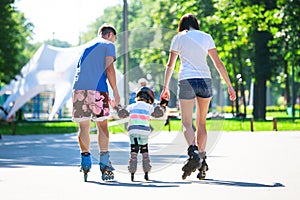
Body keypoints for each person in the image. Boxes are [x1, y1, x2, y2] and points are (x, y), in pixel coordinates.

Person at [160, 13, 236, 180]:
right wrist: (230, 86)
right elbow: (218, 63)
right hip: (205, 80)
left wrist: (165, 87)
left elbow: (170, 65)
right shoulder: (206, 37)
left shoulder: (178, 38)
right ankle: (201, 161)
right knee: (202, 123)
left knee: (187, 123)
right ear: (196, 24)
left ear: (182, 25)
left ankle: (193, 151)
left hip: (186, 80)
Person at [72, 23, 120, 181]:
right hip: (98, 90)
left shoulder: (85, 48)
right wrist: (115, 92)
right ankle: (104, 164)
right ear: (110, 35)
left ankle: (85, 161)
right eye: (115, 38)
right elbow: (110, 68)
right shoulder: (108, 44)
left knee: (84, 127)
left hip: (79, 89)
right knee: (102, 126)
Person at [117, 87, 167, 181]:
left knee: (134, 150)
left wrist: (117, 107)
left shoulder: (131, 106)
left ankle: (132, 169)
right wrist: (163, 106)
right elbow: (158, 113)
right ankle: (146, 171)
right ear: (149, 99)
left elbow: (122, 114)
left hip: (133, 130)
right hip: (144, 131)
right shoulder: (149, 107)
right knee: (144, 150)